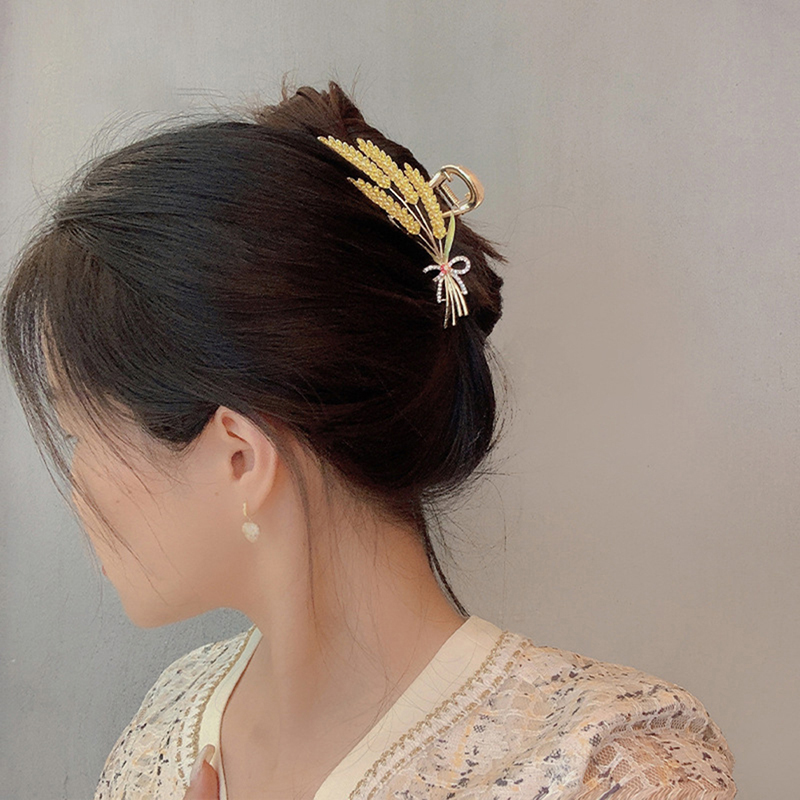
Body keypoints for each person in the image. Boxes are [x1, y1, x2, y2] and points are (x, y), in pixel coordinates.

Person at [0, 80, 737, 800]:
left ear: (239, 457)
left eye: (76, 432)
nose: (73, 483)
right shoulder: (166, 728)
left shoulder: (607, 768)